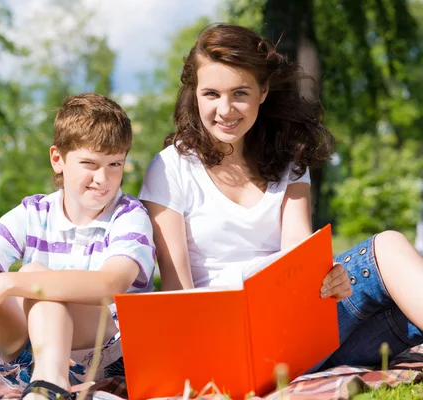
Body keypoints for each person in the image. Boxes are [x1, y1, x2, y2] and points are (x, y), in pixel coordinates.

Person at [138, 23, 423, 370]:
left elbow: (299, 258)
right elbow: (175, 290)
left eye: (240, 93)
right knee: (389, 246)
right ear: (195, 94)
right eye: (211, 94)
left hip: (293, 328)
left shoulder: (288, 161)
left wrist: (330, 277)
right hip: (219, 341)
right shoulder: (170, 169)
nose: (225, 109)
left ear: (263, 91)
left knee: (399, 293)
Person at [0, 93, 156, 400]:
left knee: (37, 276)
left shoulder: (129, 215)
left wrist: (8, 281)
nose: (103, 178)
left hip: (107, 358)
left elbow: (110, 283)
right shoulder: (34, 212)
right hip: (29, 354)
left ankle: (51, 387)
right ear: (58, 159)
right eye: (89, 163)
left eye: (115, 164)